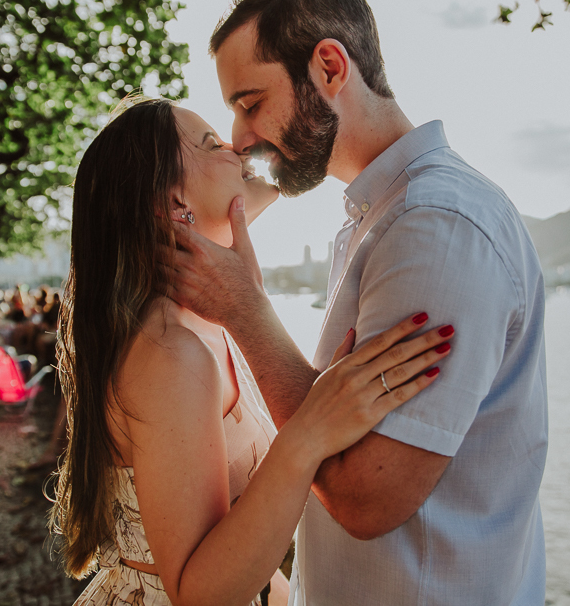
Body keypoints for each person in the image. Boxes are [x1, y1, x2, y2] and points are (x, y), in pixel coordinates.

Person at [168, 0, 548, 606]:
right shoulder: (381, 215)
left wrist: (245, 309)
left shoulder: (434, 226)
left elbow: (365, 497)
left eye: (250, 103)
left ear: (329, 68)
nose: (239, 138)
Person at [49, 98, 455, 606]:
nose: (238, 146)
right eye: (211, 144)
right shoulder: (169, 353)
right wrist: (308, 432)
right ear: (174, 204)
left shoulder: (202, 319)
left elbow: (279, 175)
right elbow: (196, 594)